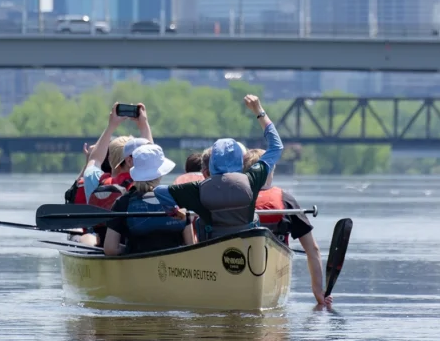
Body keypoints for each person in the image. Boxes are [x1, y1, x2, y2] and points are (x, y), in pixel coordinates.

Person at [153, 95, 282, 240]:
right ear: (240, 161)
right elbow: (276, 147)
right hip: (246, 243)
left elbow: (159, 191)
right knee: (255, 217)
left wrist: (173, 211)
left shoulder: (198, 188)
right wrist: (259, 111)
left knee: (201, 222)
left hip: (212, 242)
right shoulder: (252, 179)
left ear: (212, 163)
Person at [247, 154, 333, 309]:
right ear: (271, 171)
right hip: (274, 270)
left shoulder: (235, 197)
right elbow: (312, 250)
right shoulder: (286, 200)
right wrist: (318, 290)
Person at [63, 103, 154, 245]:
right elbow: (151, 156)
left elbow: (95, 159)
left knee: (87, 236)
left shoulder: (95, 181)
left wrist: (111, 126)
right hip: (140, 242)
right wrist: (144, 125)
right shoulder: (147, 179)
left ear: (110, 159)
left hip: (106, 243)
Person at [103, 144, 195, 256]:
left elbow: (110, 249)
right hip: (174, 266)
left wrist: (128, 250)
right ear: (160, 174)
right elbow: (191, 245)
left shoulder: (123, 202)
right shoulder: (178, 198)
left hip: (136, 264)